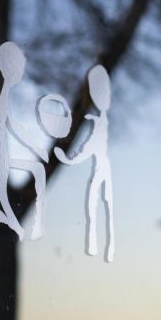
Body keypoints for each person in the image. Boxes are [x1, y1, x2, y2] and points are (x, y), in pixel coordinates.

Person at [0, 42, 49, 241]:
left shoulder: (3, 93)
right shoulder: (0, 94)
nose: (20, 71)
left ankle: (30, 225)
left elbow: (13, 125)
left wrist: (33, 146)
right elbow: (12, 125)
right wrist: (33, 146)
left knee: (36, 173)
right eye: (18, 66)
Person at [55, 65, 114, 262]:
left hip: (100, 167)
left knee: (97, 204)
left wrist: (67, 159)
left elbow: (89, 148)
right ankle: (101, 245)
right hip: (101, 166)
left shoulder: (99, 122)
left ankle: (98, 245)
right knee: (101, 204)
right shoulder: (98, 120)